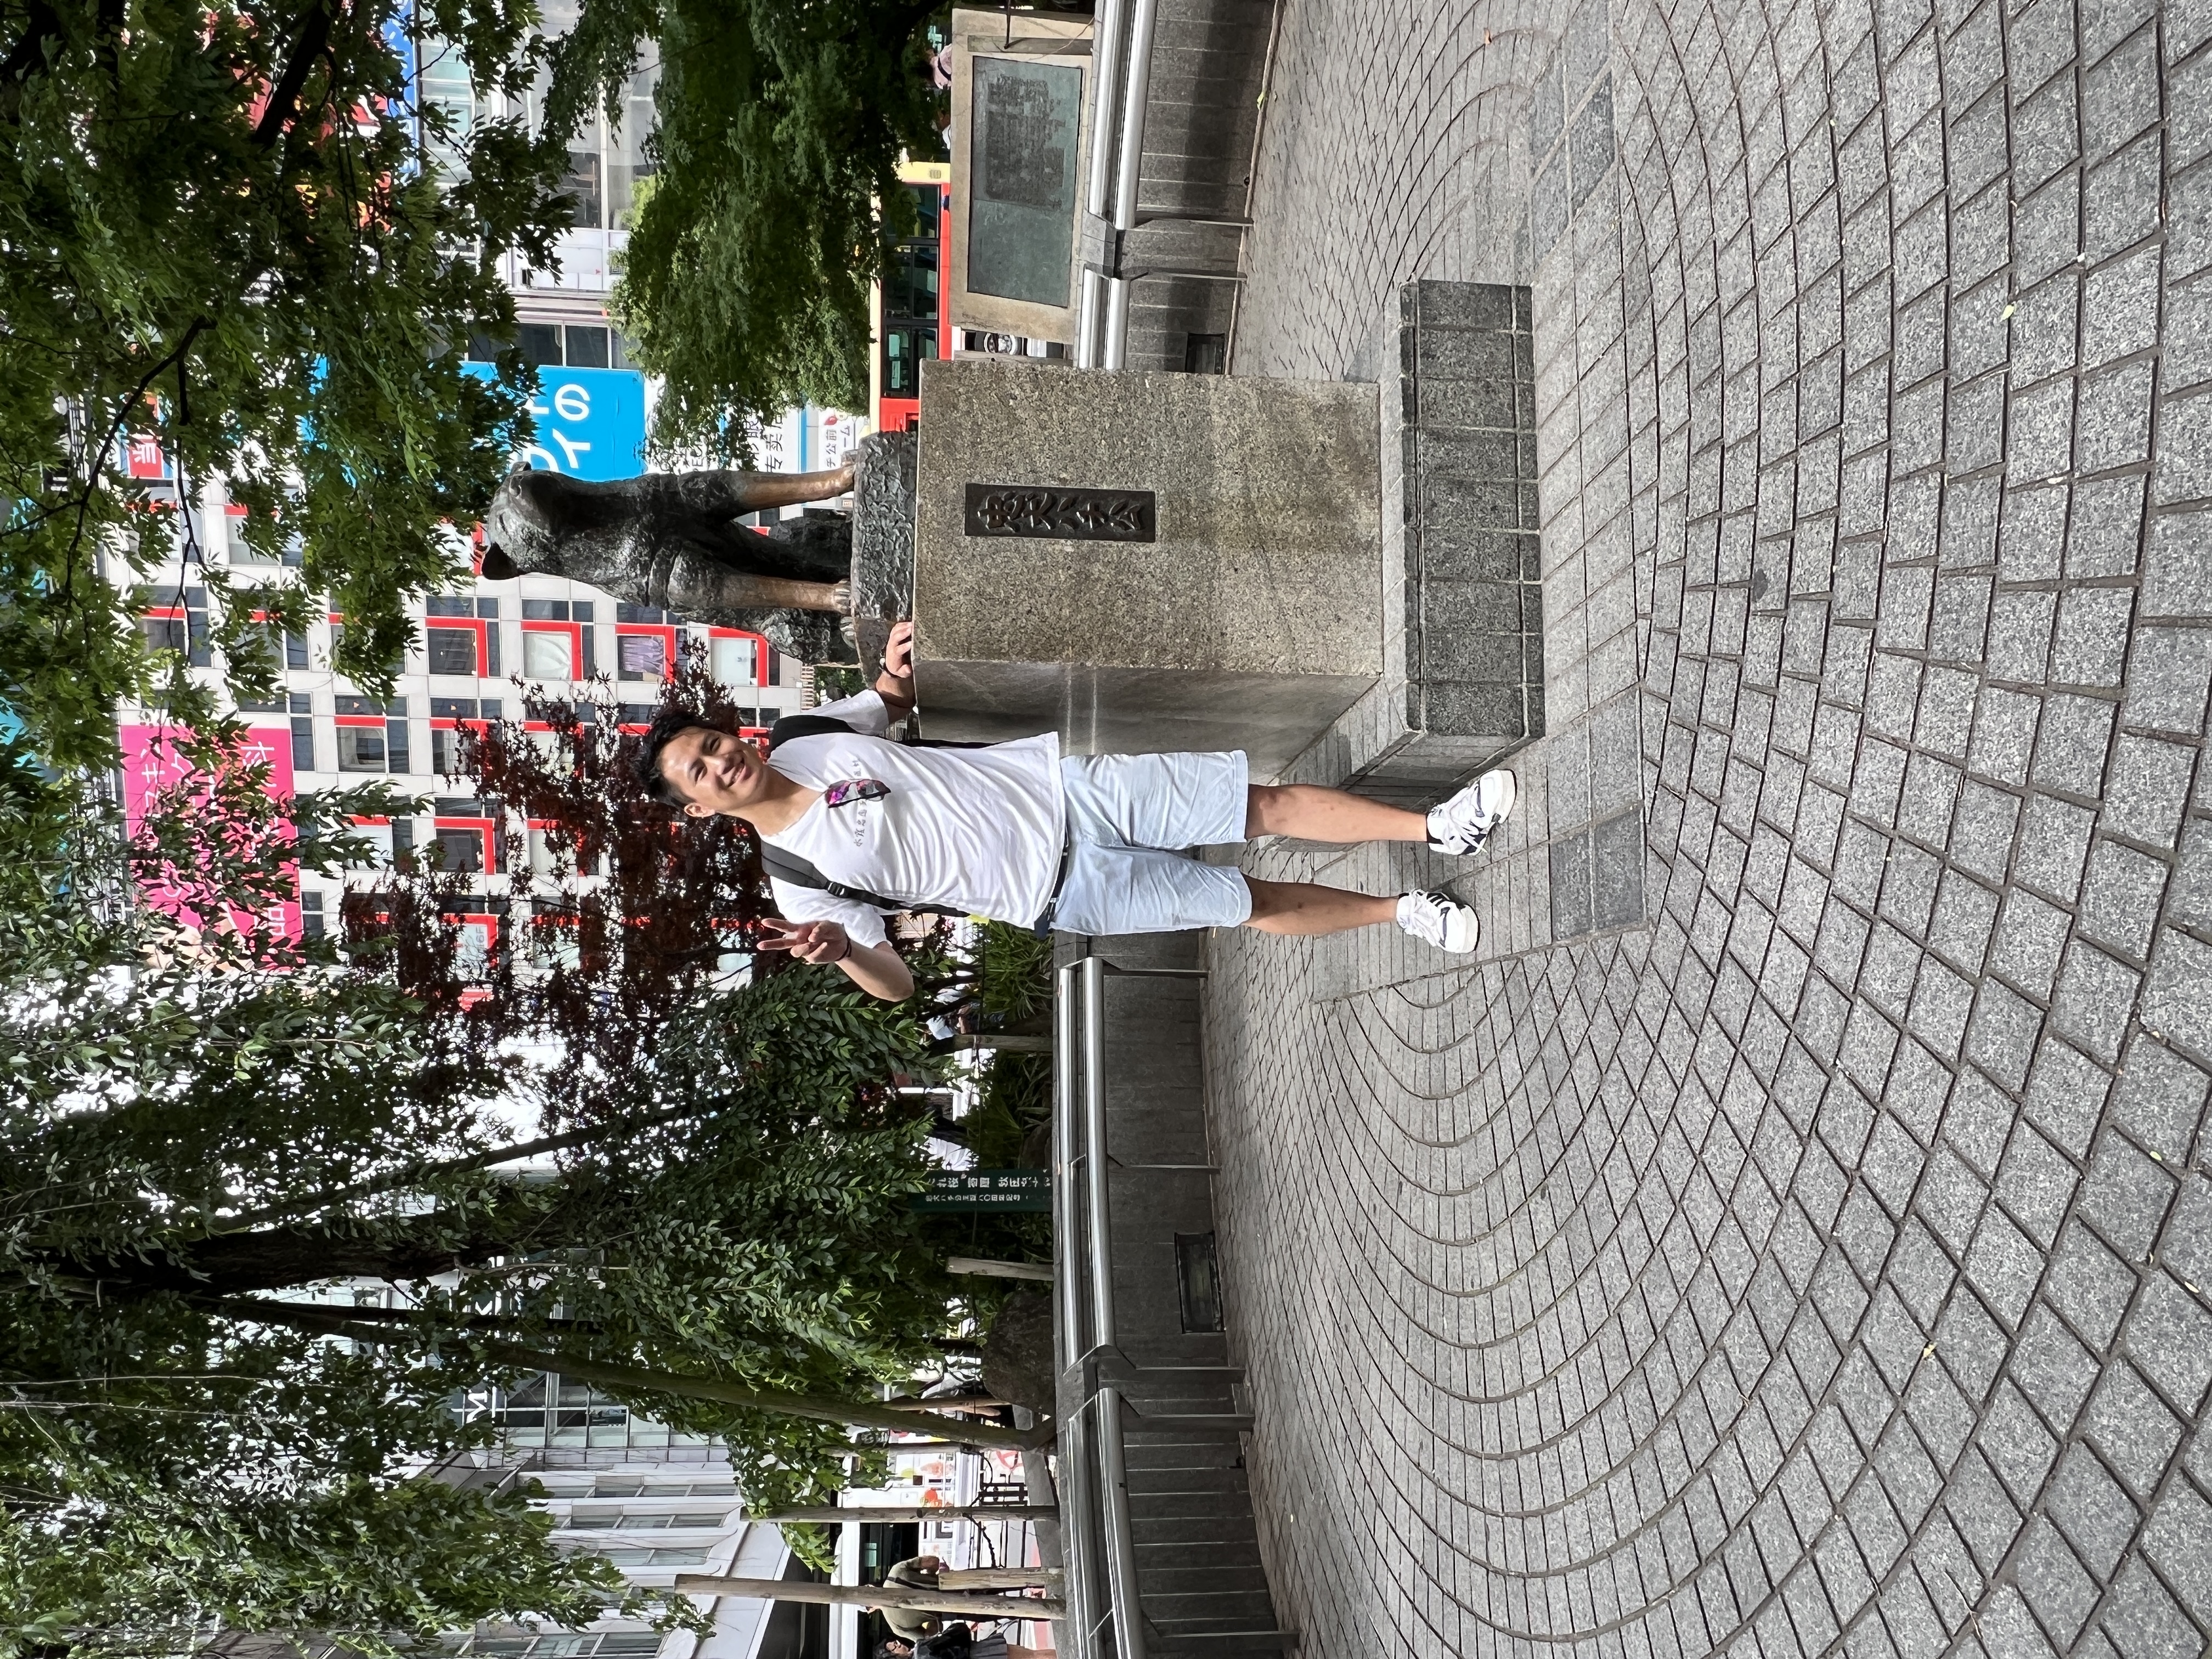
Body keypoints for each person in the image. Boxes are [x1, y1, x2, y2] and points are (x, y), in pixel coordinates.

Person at [637, 622, 1519, 1001]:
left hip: (1068, 789)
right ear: (701, 811)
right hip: (1060, 891)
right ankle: (1403, 911)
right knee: (1246, 903)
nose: (720, 763)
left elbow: (887, 706)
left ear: (728, 730)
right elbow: (897, 985)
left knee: (1259, 805)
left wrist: (897, 663)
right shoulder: (797, 886)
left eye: (711, 746)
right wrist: (845, 957)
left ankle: (1438, 827)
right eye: (701, 775)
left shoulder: (801, 732)